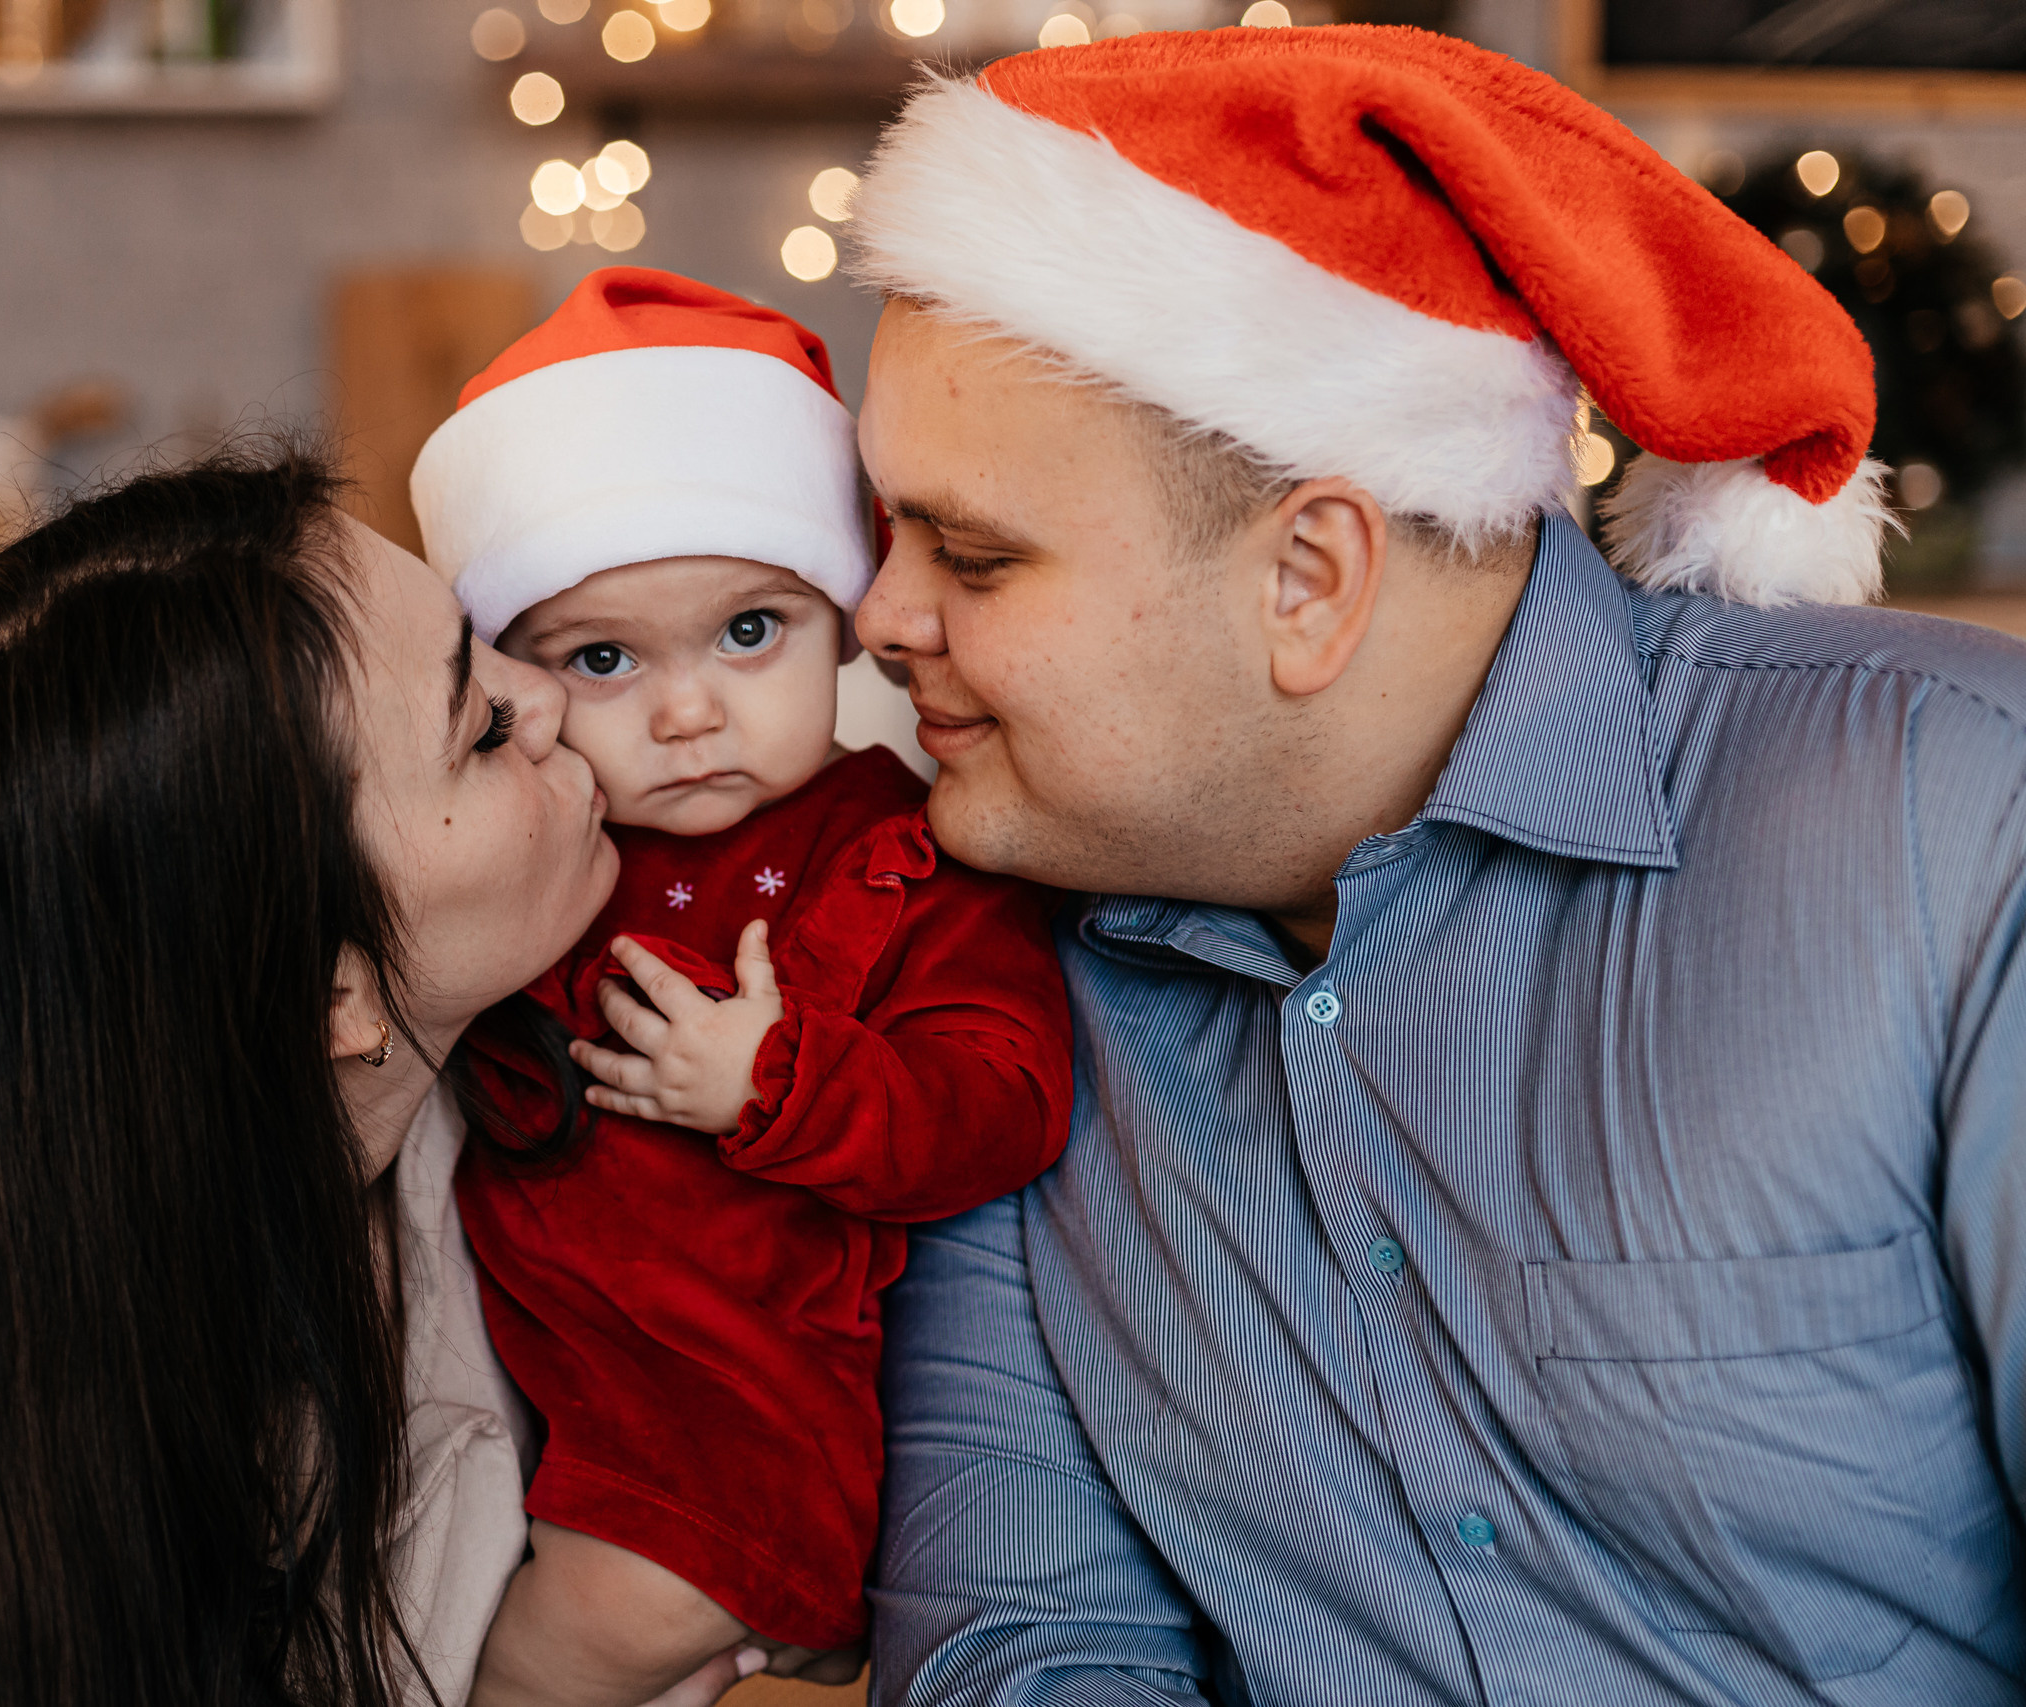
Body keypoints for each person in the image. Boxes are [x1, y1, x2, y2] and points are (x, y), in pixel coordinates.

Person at [847, 26, 2026, 1707]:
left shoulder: (1957, 825)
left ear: (1311, 575)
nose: (881, 617)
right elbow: (1029, 1645)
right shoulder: (985, 995)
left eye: (970, 552)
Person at [0, 444, 723, 1707]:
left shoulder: (538, 1077)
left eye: (490, 640)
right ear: (325, 991)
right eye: (483, 725)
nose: (552, 695)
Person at [406, 268, 1075, 1707]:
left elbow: (1004, 1099)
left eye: (750, 629)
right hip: (545, 1421)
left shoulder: (906, 855)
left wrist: (783, 1077)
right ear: (515, 686)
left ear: (845, 617)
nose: (690, 707)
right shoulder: (540, 845)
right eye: (604, 656)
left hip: (721, 1457)